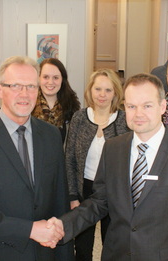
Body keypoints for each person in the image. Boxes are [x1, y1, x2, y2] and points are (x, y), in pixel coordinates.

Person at [51, 73, 168, 260]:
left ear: (163, 107)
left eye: (147, 106)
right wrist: (63, 226)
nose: (139, 114)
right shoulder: (113, 148)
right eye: (132, 106)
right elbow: (100, 202)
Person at [0, 56, 73, 260]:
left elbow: (60, 203)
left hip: (45, 253)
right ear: (0, 89)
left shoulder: (51, 135)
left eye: (31, 87)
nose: (25, 94)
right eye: (16, 86)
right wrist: (29, 230)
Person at [65, 68, 129, 260]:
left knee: (112, 244)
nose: (102, 95)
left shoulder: (125, 120)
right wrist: (73, 195)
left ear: (116, 93)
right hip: (85, 188)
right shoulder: (79, 118)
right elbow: (69, 159)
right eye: (98, 89)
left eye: (108, 90)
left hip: (114, 191)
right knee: (83, 247)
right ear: (90, 91)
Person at [32, 58, 80, 143]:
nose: (50, 82)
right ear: (38, 78)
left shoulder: (72, 109)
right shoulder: (28, 105)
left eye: (55, 78)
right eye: (46, 77)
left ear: (62, 80)